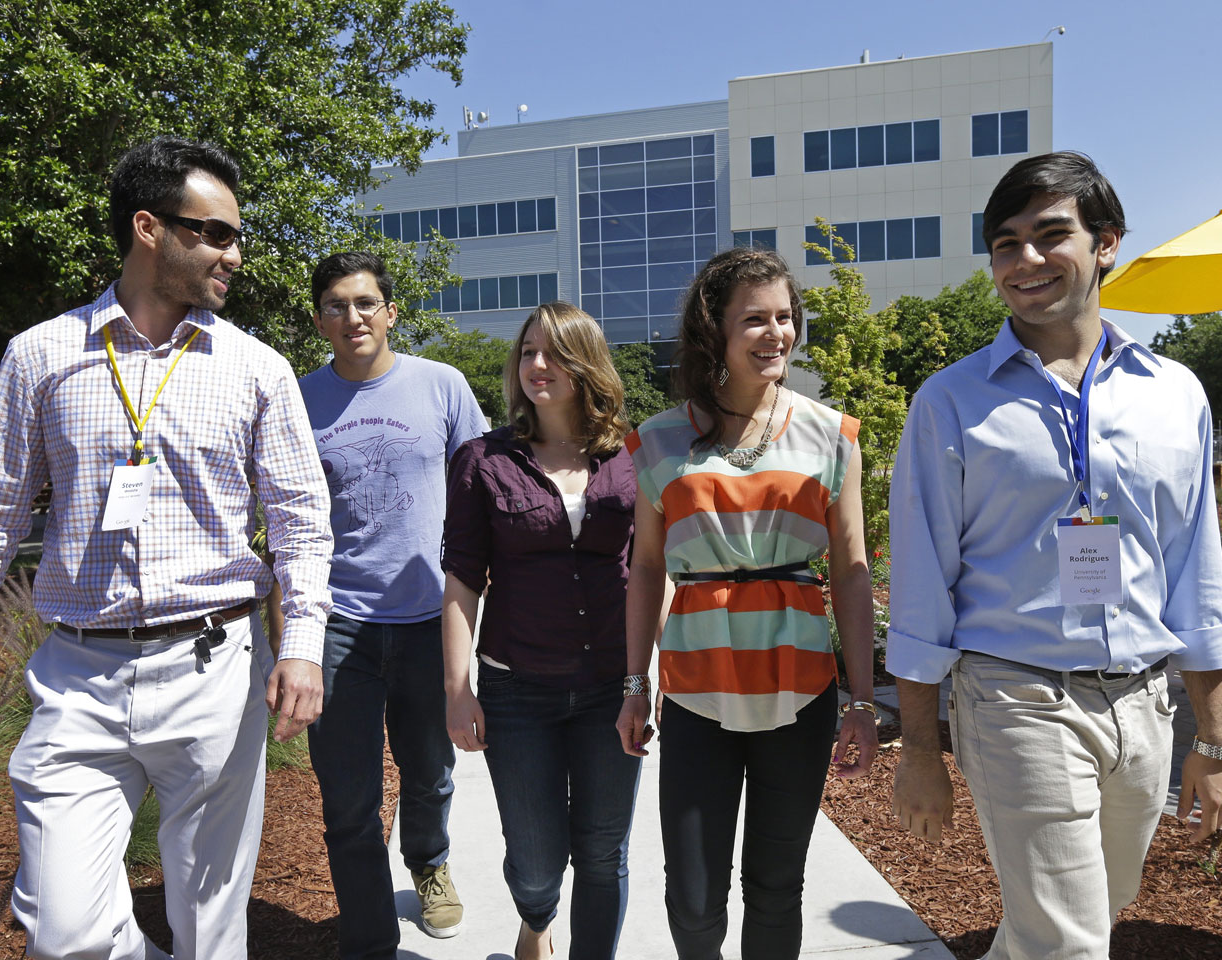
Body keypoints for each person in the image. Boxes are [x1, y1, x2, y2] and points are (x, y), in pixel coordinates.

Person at [0, 136, 333, 959]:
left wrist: (299, 646)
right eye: (217, 233)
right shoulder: (42, 356)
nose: (236, 253)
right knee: (66, 932)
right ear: (149, 228)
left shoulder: (257, 368)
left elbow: (301, 519)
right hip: (77, 675)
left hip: (215, 668)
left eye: (237, 235)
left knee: (212, 925)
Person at [887, 151, 1222, 959]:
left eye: (1049, 235)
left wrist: (1211, 742)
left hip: (1145, 704)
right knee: (1068, 944)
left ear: (1106, 243)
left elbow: (1196, 572)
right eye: (1005, 243)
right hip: (1015, 698)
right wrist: (921, 748)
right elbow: (924, 583)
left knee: (1085, 916)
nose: (1024, 260)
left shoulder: (1176, 393)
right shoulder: (952, 402)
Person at [616, 247, 879, 959]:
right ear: (715, 333)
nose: (777, 334)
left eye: (786, 317)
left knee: (775, 884)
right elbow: (645, 569)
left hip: (800, 688)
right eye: (755, 319)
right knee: (693, 894)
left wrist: (862, 698)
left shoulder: (833, 436)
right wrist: (636, 685)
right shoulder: (659, 440)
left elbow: (853, 572)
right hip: (698, 691)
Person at [296, 250, 486, 956]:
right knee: (347, 797)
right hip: (338, 625)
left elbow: (482, 488)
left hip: (430, 619)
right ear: (320, 319)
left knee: (430, 770)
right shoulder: (299, 397)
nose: (354, 317)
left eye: (366, 303)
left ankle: (429, 865)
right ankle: (370, 935)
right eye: (338, 306)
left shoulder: (442, 387)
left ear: (390, 312)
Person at [442, 302, 641, 960]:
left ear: (586, 363)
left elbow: (655, 568)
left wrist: (650, 674)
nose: (535, 365)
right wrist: (457, 689)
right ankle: (535, 921)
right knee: (534, 861)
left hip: (612, 686)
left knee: (604, 851)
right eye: (527, 351)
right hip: (516, 689)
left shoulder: (630, 457)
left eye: (552, 352)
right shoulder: (484, 460)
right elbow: (463, 580)